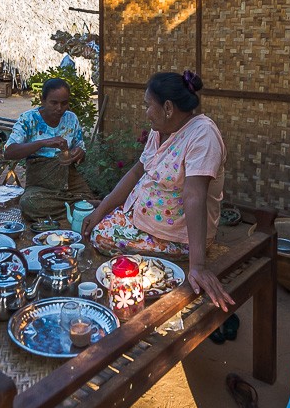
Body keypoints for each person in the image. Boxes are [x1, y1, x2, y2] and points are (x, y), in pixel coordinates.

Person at [80, 70, 232, 310]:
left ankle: (173, 263)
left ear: (168, 108)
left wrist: (198, 266)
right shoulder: (160, 131)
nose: (146, 112)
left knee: (101, 237)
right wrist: (100, 210)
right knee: (99, 224)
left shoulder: (203, 135)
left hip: (178, 236)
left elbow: (194, 196)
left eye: (148, 105)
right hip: (145, 220)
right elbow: (136, 173)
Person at [4, 78, 92, 223]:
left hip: (70, 180)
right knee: (28, 204)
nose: (59, 108)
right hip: (40, 185)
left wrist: (79, 153)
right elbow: (9, 152)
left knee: (87, 198)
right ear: (43, 100)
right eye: (54, 103)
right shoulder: (29, 119)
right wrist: (43, 143)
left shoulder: (71, 119)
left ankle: (74, 207)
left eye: (64, 103)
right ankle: (76, 208)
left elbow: (80, 147)